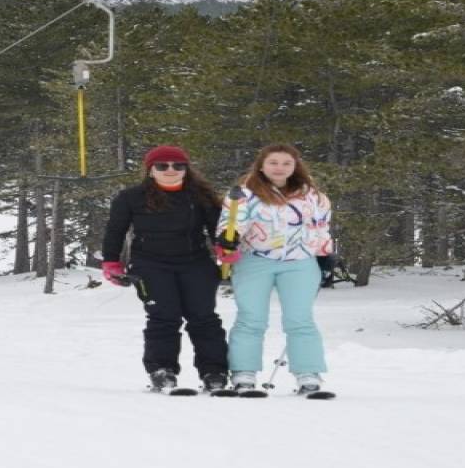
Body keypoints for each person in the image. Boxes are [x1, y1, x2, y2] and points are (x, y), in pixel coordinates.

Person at [101, 145, 230, 393]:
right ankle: (162, 370)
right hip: (150, 264)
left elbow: (219, 229)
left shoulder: (201, 196)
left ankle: (214, 371)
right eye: (162, 166)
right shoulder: (130, 197)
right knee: (164, 317)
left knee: (204, 317)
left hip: (195, 262)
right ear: (151, 170)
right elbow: (115, 231)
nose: (170, 170)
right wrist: (111, 262)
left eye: (178, 165)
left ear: (186, 169)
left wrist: (225, 247)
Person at [217, 143, 333, 396]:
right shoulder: (244, 193)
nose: (279, 168)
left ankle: (308, 373)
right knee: (251, 318)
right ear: (261, 165)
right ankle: (243, 373)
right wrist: (228, 239)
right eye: (273, 163)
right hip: (255, 260)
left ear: (295, 166)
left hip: (300, 262)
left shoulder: (313, 195)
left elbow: (320, 226)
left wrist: (325, 253)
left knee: (300, 319)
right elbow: (232, 220)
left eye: (286, 163)